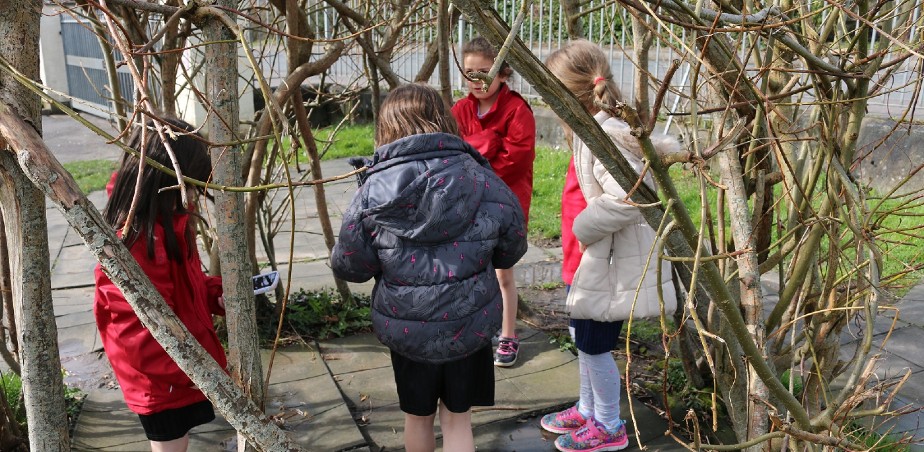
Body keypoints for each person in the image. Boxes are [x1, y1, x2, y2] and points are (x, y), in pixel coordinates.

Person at [331, 83, 528, 452]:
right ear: (443, 120)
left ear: (388, 127)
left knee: (417, 418)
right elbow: (511, 248)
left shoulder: (374, 189)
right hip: (469, 326)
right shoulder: (483, 178)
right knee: (458, 420)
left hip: (408, 329)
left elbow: (351, 266)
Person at [539, 40, 678, 452]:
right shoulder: (588, 131)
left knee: (595, 348)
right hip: (581, 262)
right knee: (582, 342)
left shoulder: (606, 136)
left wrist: (582, 227)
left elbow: (632, 197)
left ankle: (609, 426)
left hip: (602, 263)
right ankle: (587, 410)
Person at [94, 117, 226, 452]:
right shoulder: (133, 239)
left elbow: (184, 285)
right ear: (166, 179)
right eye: (189, 183)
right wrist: (187, 371)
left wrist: (213, 294)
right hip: (162, 380)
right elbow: (133, 329)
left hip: (179, 371)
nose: (193, 193)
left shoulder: (168, 221)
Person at [451, 36, 536, 367]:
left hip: (505, 205)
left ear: (503, 74)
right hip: (467, 204)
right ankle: (476, 330)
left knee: (503, 274)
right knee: (470, 269)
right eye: (469, 72)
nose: (476, 80)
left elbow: (515, 158)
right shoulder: (459, 110)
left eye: (484, 72)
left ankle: (509, 335)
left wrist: (477, 149)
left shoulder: (518, 110)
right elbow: (453, 152)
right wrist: (488, 143)